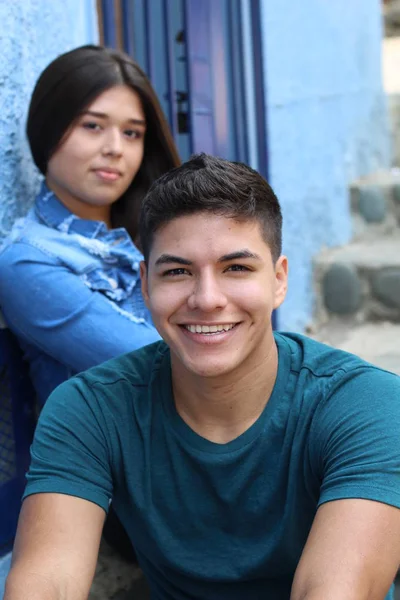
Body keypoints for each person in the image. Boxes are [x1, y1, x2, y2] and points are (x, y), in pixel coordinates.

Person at [5, 154, 400, 600]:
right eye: (178, 271)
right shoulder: (90, 409)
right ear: (146, 284)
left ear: (278, 280)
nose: (207, 299)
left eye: (236, 268)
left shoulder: (369, 404)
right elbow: (46, 582)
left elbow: (334, 592)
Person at [0, 45, 180, 407]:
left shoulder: (159, 233)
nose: (115, 148)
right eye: (93, 126)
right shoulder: (28, 263)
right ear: (48, 130)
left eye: (132, 133)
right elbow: (166, 367)